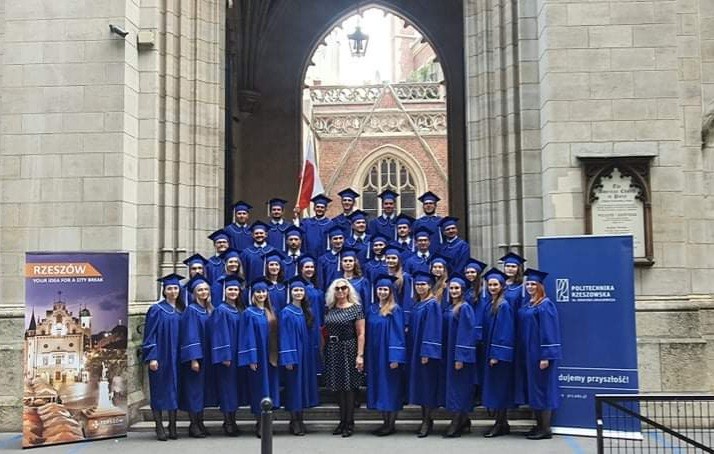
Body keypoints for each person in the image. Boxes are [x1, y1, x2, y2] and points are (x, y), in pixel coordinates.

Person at [515, 268, 562, 440]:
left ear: (540, 286)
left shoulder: (545, 305)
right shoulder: (528, 304)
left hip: (540, 355)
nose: (530, 287)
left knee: (543, 389)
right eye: (528, 284)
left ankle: (546, 428)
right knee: (534, 390)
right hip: (528, 354)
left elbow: (549, 331)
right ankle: (538, 425)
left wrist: (546, 356)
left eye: (533, 284)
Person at [143, 273, 185, 441]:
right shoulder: (156, 310)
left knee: (174, 391)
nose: (173, 291)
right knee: (159, 391)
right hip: (161, 356)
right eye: (170, 288)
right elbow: (149, 335)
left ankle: (172, 425)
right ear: (164, 291)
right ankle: (159, 425)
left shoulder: (181, 310)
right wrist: (152, 357)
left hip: (177, 357)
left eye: (176, 288)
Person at [238, 277, 281, 438]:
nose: (261, 294)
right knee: (260, 389)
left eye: (263, 291)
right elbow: (246, 337)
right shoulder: (249, 313)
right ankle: (260, 423)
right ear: (253, 294)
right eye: (258, 292)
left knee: (270, 388)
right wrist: (251, 358)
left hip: (271, 357)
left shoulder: (271, 311)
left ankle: (268, 422)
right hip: (258, 358)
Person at [323, 278, 365, 438]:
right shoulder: (329, 309)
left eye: (344, 288)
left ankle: (349, 422)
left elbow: (361, 334)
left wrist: (359, 355)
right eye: (337, 288)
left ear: (349, 290)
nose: (341, 291)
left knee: (349, 388)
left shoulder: (356, 309)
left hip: (349, 348)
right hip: (333, 349)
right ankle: (341, 422)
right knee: (339, 388)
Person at [365, 275, 406, 437]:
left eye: (385, 289)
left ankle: (391, 424)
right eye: (380, 289)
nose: (382, 292)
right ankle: (384, 422)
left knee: (390, 388)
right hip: (375, 355)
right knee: (379, 388)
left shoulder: (395, 309)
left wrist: (395, 357)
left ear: (390, 291)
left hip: (388, 355)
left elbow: (398, 334)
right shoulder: (372, 309)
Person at [441, 275, 481, 438]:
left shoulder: (465, 308)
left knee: (459, 388)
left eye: (457, 288)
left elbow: (466, 334)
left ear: (463, 290)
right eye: (451, 288)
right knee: (454, 387)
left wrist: (461, 357)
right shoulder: (450, 307)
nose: (454, 291)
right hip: (449, 353)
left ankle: (456, 422)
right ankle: (464, 420)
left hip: (459, 355)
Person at [280, 276, 320, 436]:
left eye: (301, 290)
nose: (298, 293)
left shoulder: (306, 311)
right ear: (291, 292)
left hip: (306, 355)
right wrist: (288, 359)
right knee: (294, 387)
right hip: (294, 355)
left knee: (303, 386)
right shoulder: (286, 312)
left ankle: (300, 418)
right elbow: (284, 336)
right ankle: (294, 420)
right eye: (295, 290)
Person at [480, 268, 516, 438]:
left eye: (495, 285)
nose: (492, 287)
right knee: (495, 388)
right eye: (490, 285)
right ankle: (502, 423)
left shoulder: (503, 305)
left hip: (499, 356)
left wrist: (496, 355)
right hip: (490, 351)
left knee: (500, 389)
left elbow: (504, 332)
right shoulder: (490, 304)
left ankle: (500, 423)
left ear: (502, 286)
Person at [179, 275, 215, 438]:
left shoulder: (209, 310)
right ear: (194, 293)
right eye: (200, 290)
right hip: (196, 357)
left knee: (202, 391)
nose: (203, 292)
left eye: (206, 289)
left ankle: (200, 423)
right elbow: (190, 335)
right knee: (194, 391)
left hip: (207, 356)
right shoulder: (191, 310)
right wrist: (194, 359)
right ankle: (193, 425)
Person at [209, 275, 246, 437]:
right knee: (227, 388)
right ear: (225, 291)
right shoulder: (221, 310)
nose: (233, 292)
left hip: (238, 355)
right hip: (227, 356)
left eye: (235, 289)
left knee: (235, 388)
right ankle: (228, 422)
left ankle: (233, 420)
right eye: (230, 289)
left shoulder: (239, 309)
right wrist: (224, 355)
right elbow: (219, 334)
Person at [407, 271, 443, 438]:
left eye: (423, 284)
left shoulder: (432, 304)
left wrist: (427, 352)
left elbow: (433, 329)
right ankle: (425, 419)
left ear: (430, 286)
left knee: (427, 386)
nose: (420, 287)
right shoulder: (417, 304)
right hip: (416, 350)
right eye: (417, 284)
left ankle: (427, 421)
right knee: (421, 386)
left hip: (425, 353)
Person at [299, 254, 326, 375]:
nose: (309, 269)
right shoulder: (300, 288)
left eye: (312, 267)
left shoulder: (317, 289)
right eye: (306, 267)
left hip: (317, 326)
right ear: (301, 269)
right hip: (304, 325)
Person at [300, 194, 334, 258]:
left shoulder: (330, 224)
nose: (319, 209)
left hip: (324, 256)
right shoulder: (307, 223)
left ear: (326, 209)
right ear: (314, 208)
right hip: (308, 257)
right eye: (317, 207)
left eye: (322, 207)